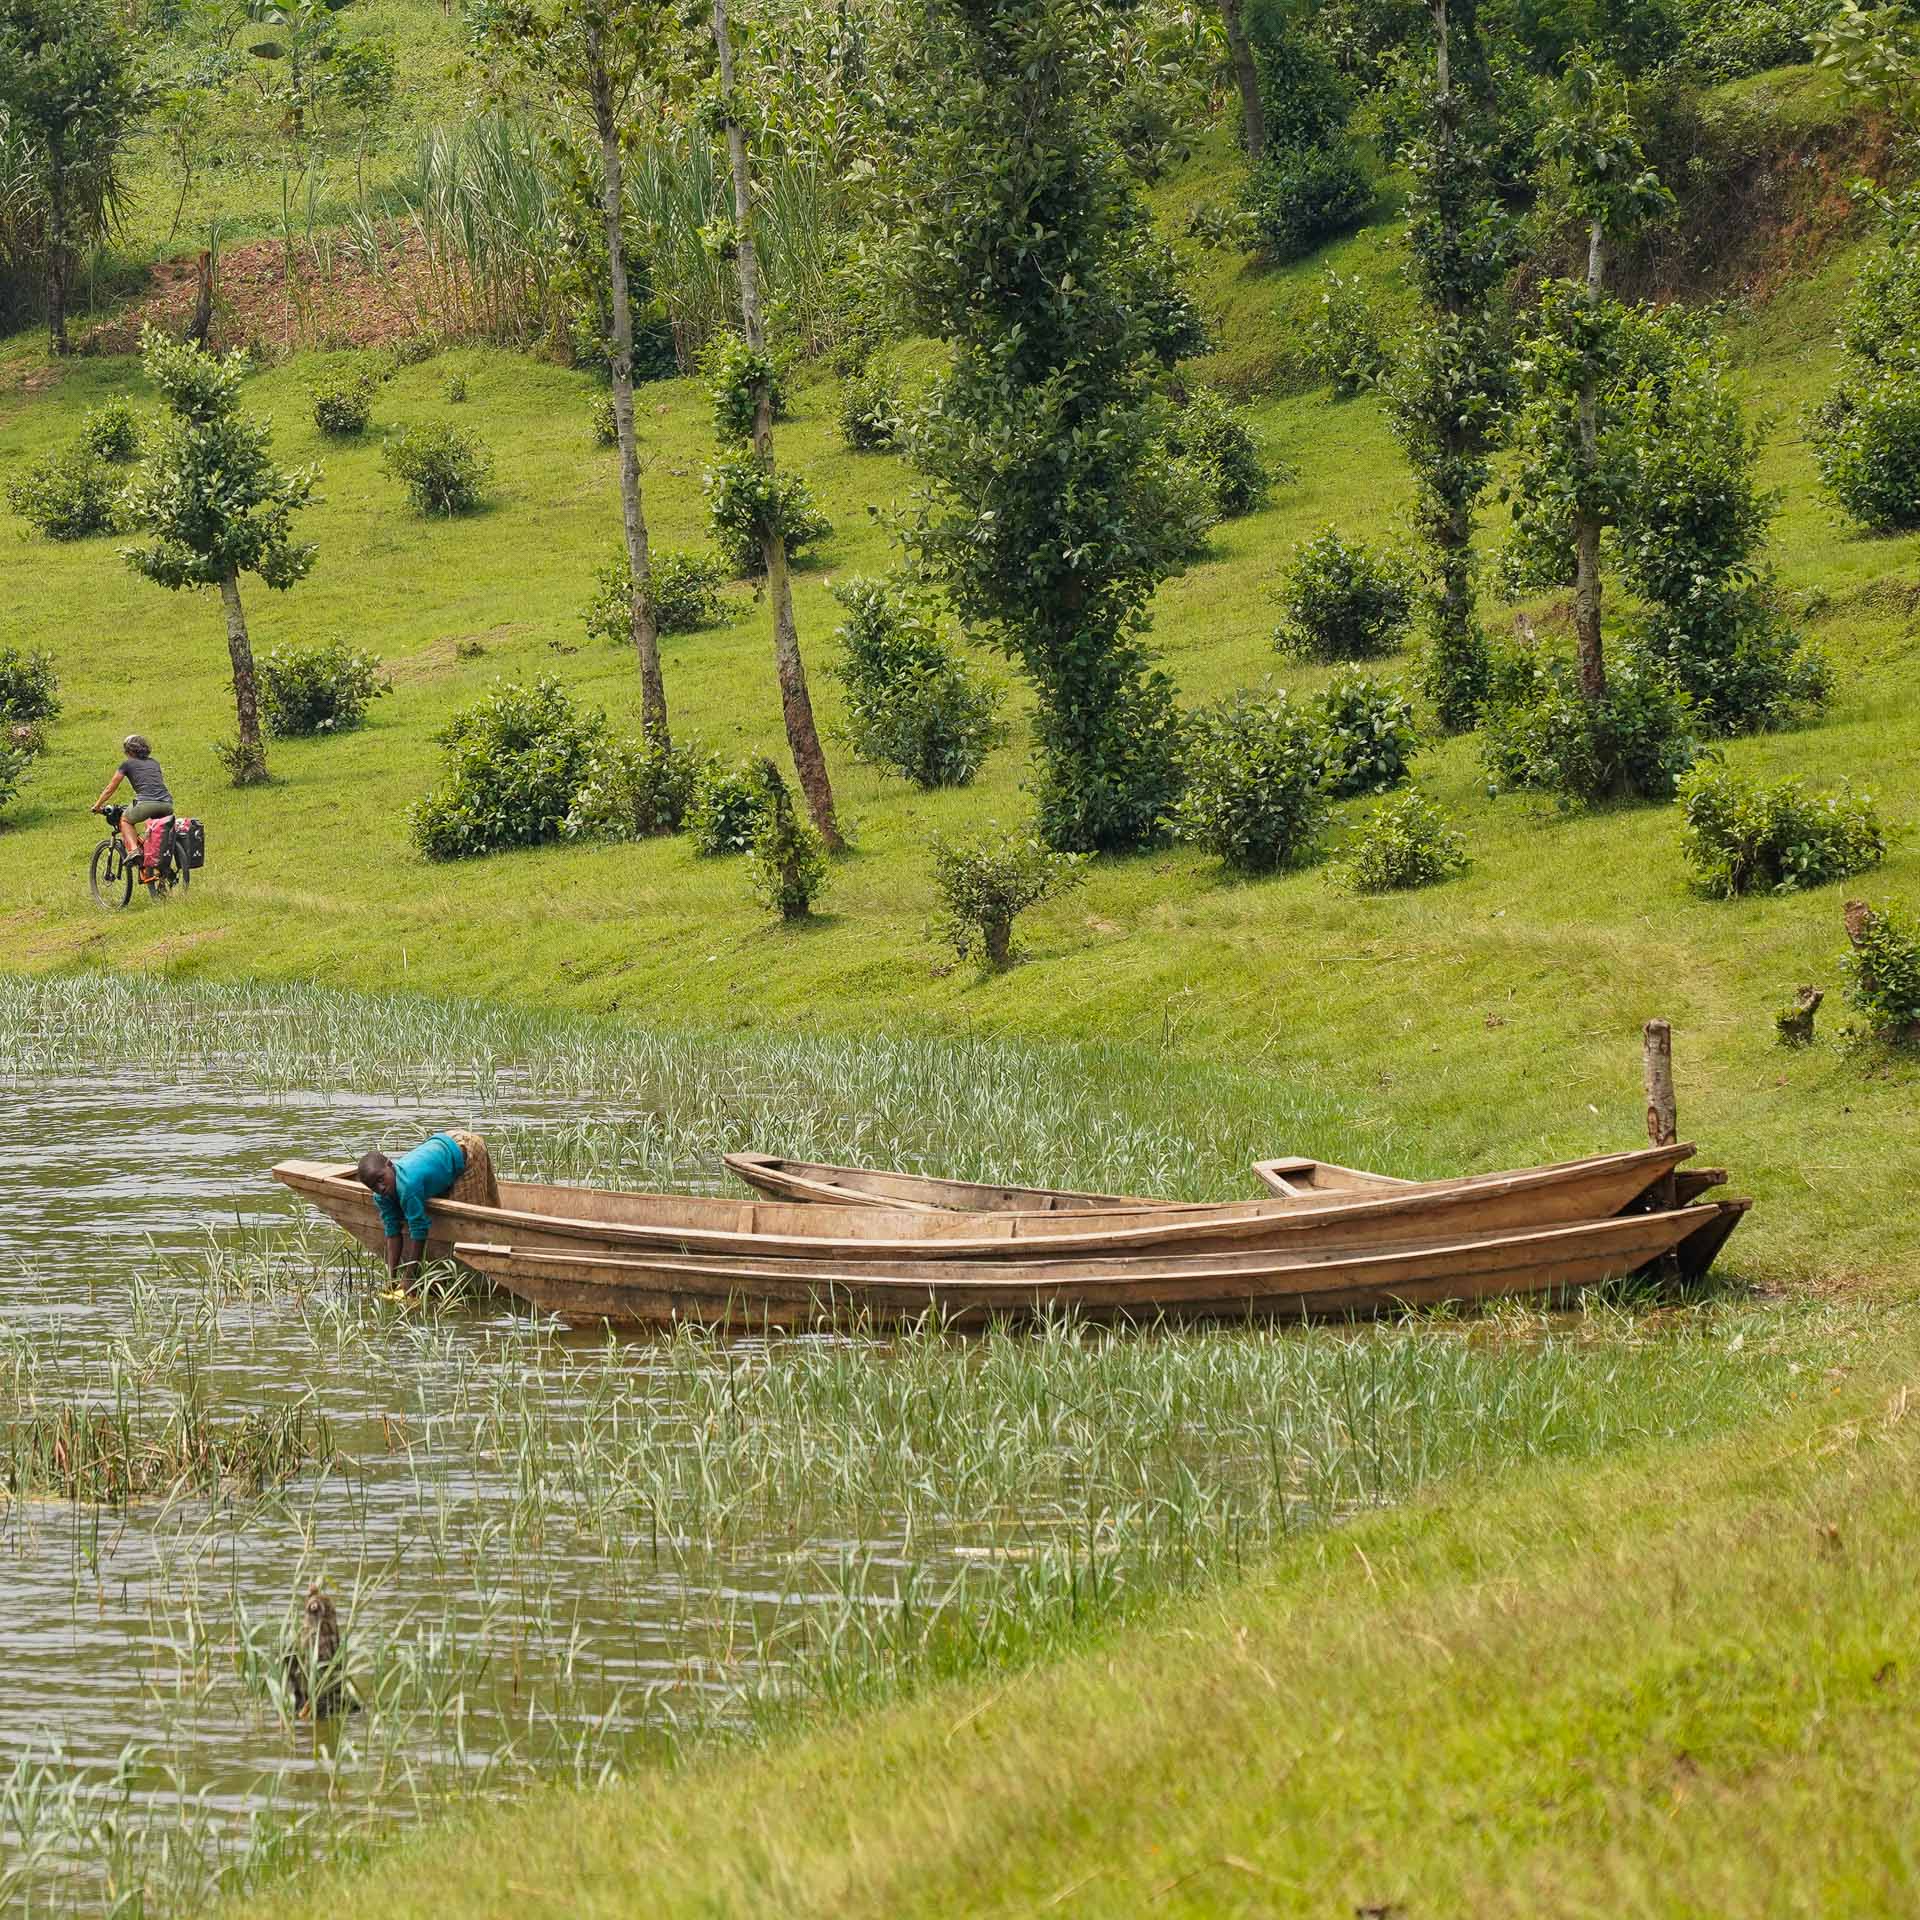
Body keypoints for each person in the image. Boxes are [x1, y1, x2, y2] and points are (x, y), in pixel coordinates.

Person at [353, 1130, 498, 1281]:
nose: (380, 1188)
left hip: (467, 1148)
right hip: (444, 1144)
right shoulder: (382, 1196)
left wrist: (409, 1278)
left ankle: (488, 1269)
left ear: (390, 1165)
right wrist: (392, 1278)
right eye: (374, 1187)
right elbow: (392, 1231)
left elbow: (419, 1231)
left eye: (381, 1179)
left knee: (470, 1220)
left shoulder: (408, 1187)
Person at [91, 734, 174, 875]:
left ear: (129, 751)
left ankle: (134, 850)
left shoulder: (127, 764)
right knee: (155, 836)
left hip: (146, 803)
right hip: (167, 804)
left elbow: (111, 787)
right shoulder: (154, 763)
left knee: (125, 820)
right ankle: (161, 876)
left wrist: (97, 806)